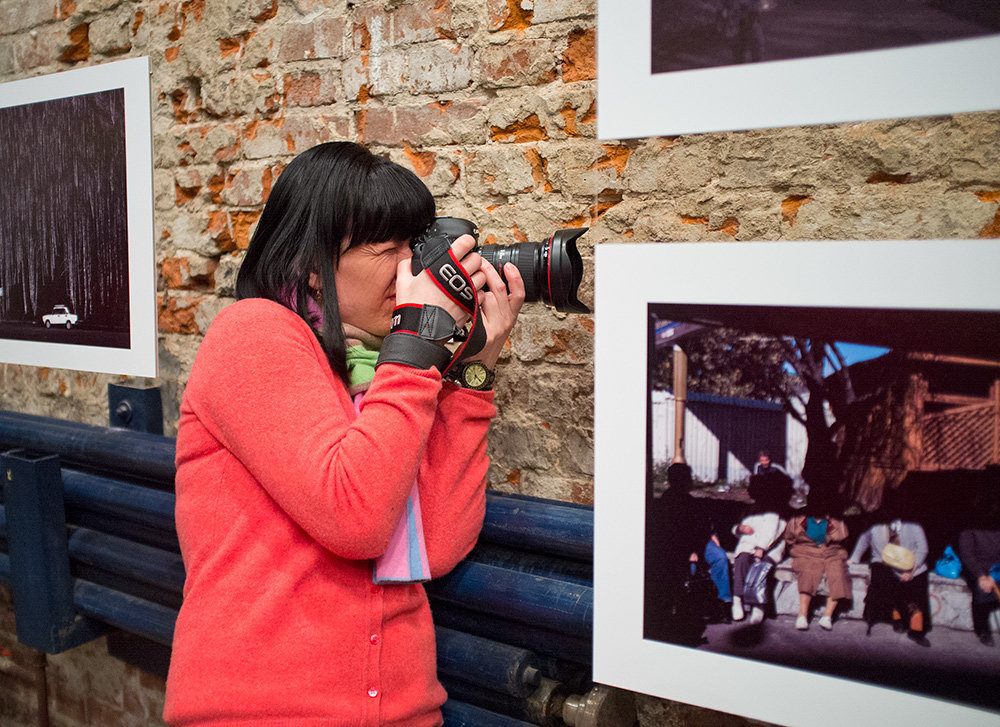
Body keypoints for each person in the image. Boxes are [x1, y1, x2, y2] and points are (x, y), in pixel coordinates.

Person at [163, 141, 525, 726]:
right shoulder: (253, 335)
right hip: (263, 715)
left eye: (418, 246)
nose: (414, 269)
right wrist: (417, 344)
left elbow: (436, 542)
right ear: (312, 261)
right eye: (393, 248)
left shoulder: (379, 372)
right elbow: (355, 517)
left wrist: (471, 369)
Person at [849, 512, 931, 647]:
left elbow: (923, 549)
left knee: (916, 593)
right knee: (883, 580)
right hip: (885, 563)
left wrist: (911, 571)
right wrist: (854, 558)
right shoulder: (875, 524)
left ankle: (916, 631)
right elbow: (864, 539)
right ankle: (897, 617)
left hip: (912, 566)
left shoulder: (914, 525)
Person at [784, 491, 850, 631]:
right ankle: (802, 615)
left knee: (838, 573)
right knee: (808, 571)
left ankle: (827, 616)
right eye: (815, 503)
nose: (818, 507)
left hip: (831, 552)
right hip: (805, 551)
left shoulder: (833, 518)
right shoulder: (799, 518)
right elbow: (789, 539)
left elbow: (842, 535)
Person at [730, 487, 787, 624]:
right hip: (750, 545)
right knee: (742, 560)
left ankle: (758, 605)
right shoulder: (752, 510)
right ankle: (737, 600)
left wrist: (761, 548)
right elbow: (738, 528)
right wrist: (740, 528)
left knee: (762, 566)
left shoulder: (774, 511)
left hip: (771, 548)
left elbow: (772, 532)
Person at [957, 526, 1000, 646]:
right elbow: (967, 555)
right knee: (982, 590)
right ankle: (982, 630)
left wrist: (994, 576)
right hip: (975, 568)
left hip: (997, 568)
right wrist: (981, 576)